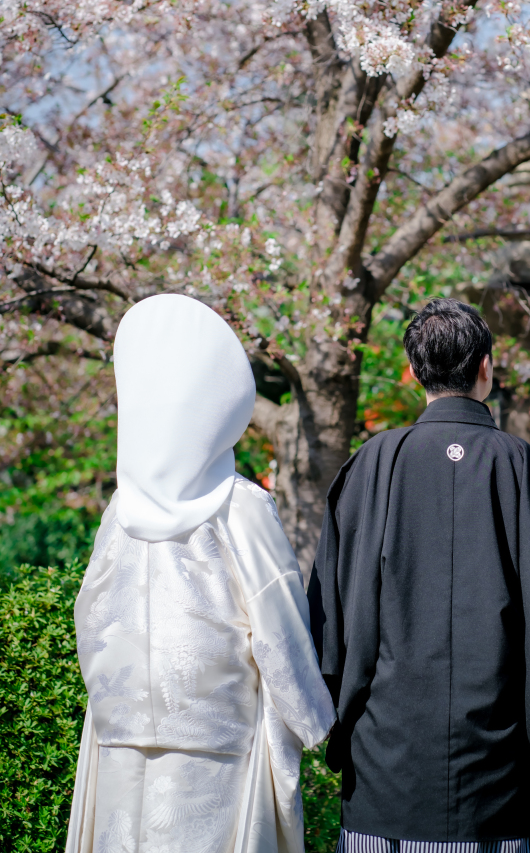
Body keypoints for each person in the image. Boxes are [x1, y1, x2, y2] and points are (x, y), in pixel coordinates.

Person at [308, 297, 530, 850]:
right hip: (494, 756)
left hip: (386, 756)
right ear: (485, 369)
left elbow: (329, 603)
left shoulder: (372, 463)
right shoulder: (519, 464)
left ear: (412, 374)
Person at [66, 293, 335, 853]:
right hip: (216, 746)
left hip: (121, 738)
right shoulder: (240, 507)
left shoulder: (121, 511)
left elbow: (90, 616)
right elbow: (278, 626)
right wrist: (317, 722)